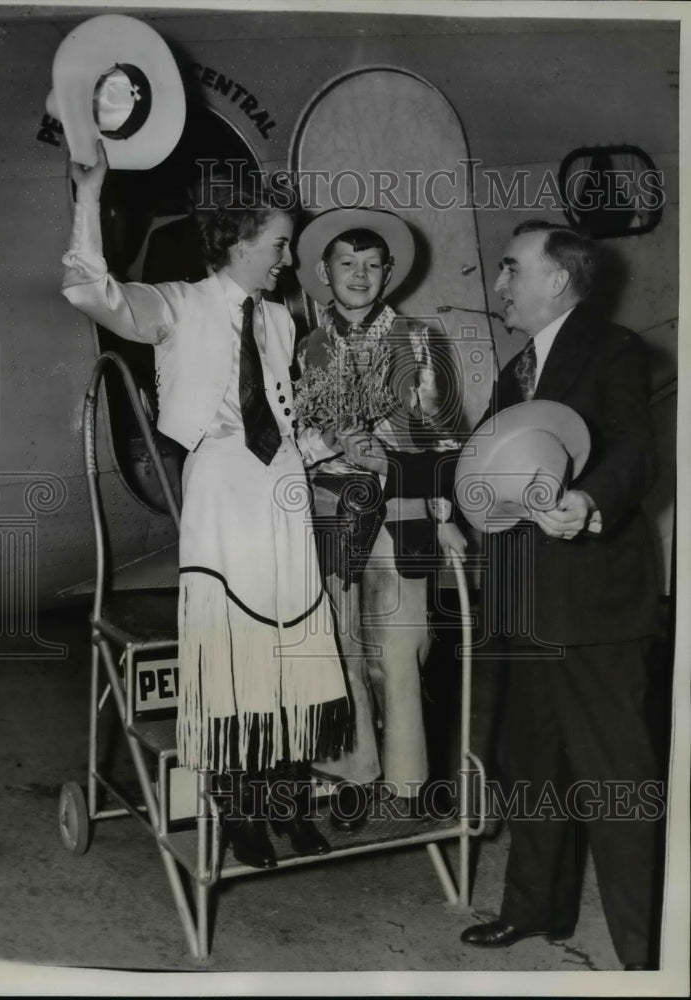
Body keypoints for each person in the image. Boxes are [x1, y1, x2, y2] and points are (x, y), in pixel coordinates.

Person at [62, 141, 349, 870]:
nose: (288, 257)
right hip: (221, 483)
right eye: (279, 243)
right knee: (231, 649)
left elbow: (284, 420)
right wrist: (89, 197)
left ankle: (287, 798)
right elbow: (90, 290)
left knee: (290, 642)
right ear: (242, 240)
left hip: (280, 484)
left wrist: (328, 446)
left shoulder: (282, 322)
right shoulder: (178, 304)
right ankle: (241, 807)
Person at [459, 221, 662, 970]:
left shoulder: (612, 351)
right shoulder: (517, 370)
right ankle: (534, 909)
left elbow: (636, 451)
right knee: (532, 762)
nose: (500, 284)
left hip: (592, 603)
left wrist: (587, 501)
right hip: (526, 603)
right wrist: (455, 511)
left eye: (512, 269)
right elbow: (480, 466)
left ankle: (647, 955)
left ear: (555, 280)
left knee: (616, 783)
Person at [294, 208, 467, 829]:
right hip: (333, 511)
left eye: (372, 266)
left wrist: (442, 509)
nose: (360, 276)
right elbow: (304, 435)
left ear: (389, 272)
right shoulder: (311, 345)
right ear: (323, 272)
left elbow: (446, 436)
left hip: (404, 510)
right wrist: (337, 447)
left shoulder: (418, 337)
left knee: (401, 646)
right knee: (341, 642)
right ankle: (352, 774)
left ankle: (410, 779)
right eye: (347, 265)